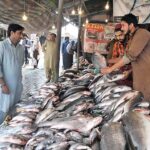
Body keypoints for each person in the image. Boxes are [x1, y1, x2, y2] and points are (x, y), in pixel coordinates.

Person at [101, 13, 150, 101]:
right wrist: (129, 71)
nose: (122, 28)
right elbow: (125, 57)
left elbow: (129, 56)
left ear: (131, 25)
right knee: (138, 104)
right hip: (138, 77)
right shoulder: (132, 37)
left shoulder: (142, 33)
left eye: (123, 25)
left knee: (144, 105)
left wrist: (110, 69)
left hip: (146, 78)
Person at [0, 23, 24, 124]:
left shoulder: (21, 48)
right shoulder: (2, 46)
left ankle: (10, 129)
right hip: (6, 86)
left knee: (15, 109)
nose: (21, 36)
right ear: (12, 33)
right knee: (4, 109)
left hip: (18, 85)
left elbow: (20, 64)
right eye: (19, 33)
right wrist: (3, 84)